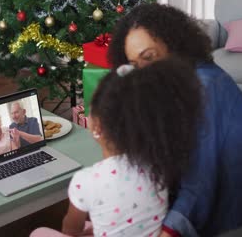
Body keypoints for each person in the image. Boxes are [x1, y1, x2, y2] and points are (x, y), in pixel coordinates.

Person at [107, 3, 242, 237]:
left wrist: (167, 231)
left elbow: (200, 184)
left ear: (174, 45)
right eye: (135, 65)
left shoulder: (204, 88)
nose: (143, 72)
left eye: (149, 57)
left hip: (230, 215)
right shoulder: (179, 79)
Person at [30, 58, 203, 237]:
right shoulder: (160, 167)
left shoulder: (85, 181)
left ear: (96, 127)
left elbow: (71, 230)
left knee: (39, 232)